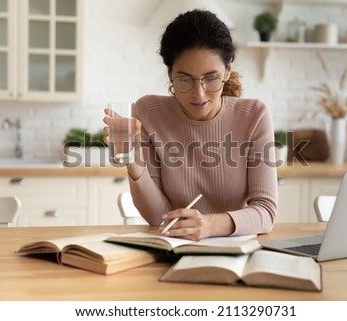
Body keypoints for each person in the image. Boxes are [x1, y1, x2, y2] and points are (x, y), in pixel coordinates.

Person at [104, 9, 277, 241]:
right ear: (170, 73)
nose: (199, 94)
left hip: (236, 251)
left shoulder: (254, 115)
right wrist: (134, 162)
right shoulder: (148, 112)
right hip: (176, 248)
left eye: (211, 77)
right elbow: (158, 218)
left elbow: (265, 212)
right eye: (185, 79)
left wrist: (209, 225)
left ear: (228, 70)